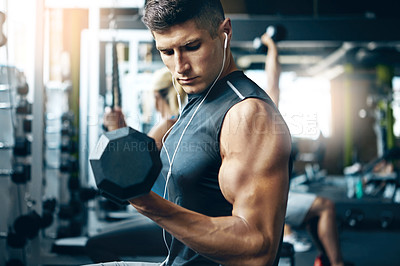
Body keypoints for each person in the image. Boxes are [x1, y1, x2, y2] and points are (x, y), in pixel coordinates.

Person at [89, 1, 292, 265]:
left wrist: (147, 203)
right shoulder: (197, 100)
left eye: (192, 47)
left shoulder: (248, 115)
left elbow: (258, 249)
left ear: (225, 33)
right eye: (167, 52)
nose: (180, 67)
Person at [260, 33, 352, 266]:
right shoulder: (260, 124)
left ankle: (327, 260)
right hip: (264, 202)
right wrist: (271, 46)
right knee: (325, 206)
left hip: (268, 196)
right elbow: (273, 82)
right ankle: (337, 263)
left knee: (316, 210)